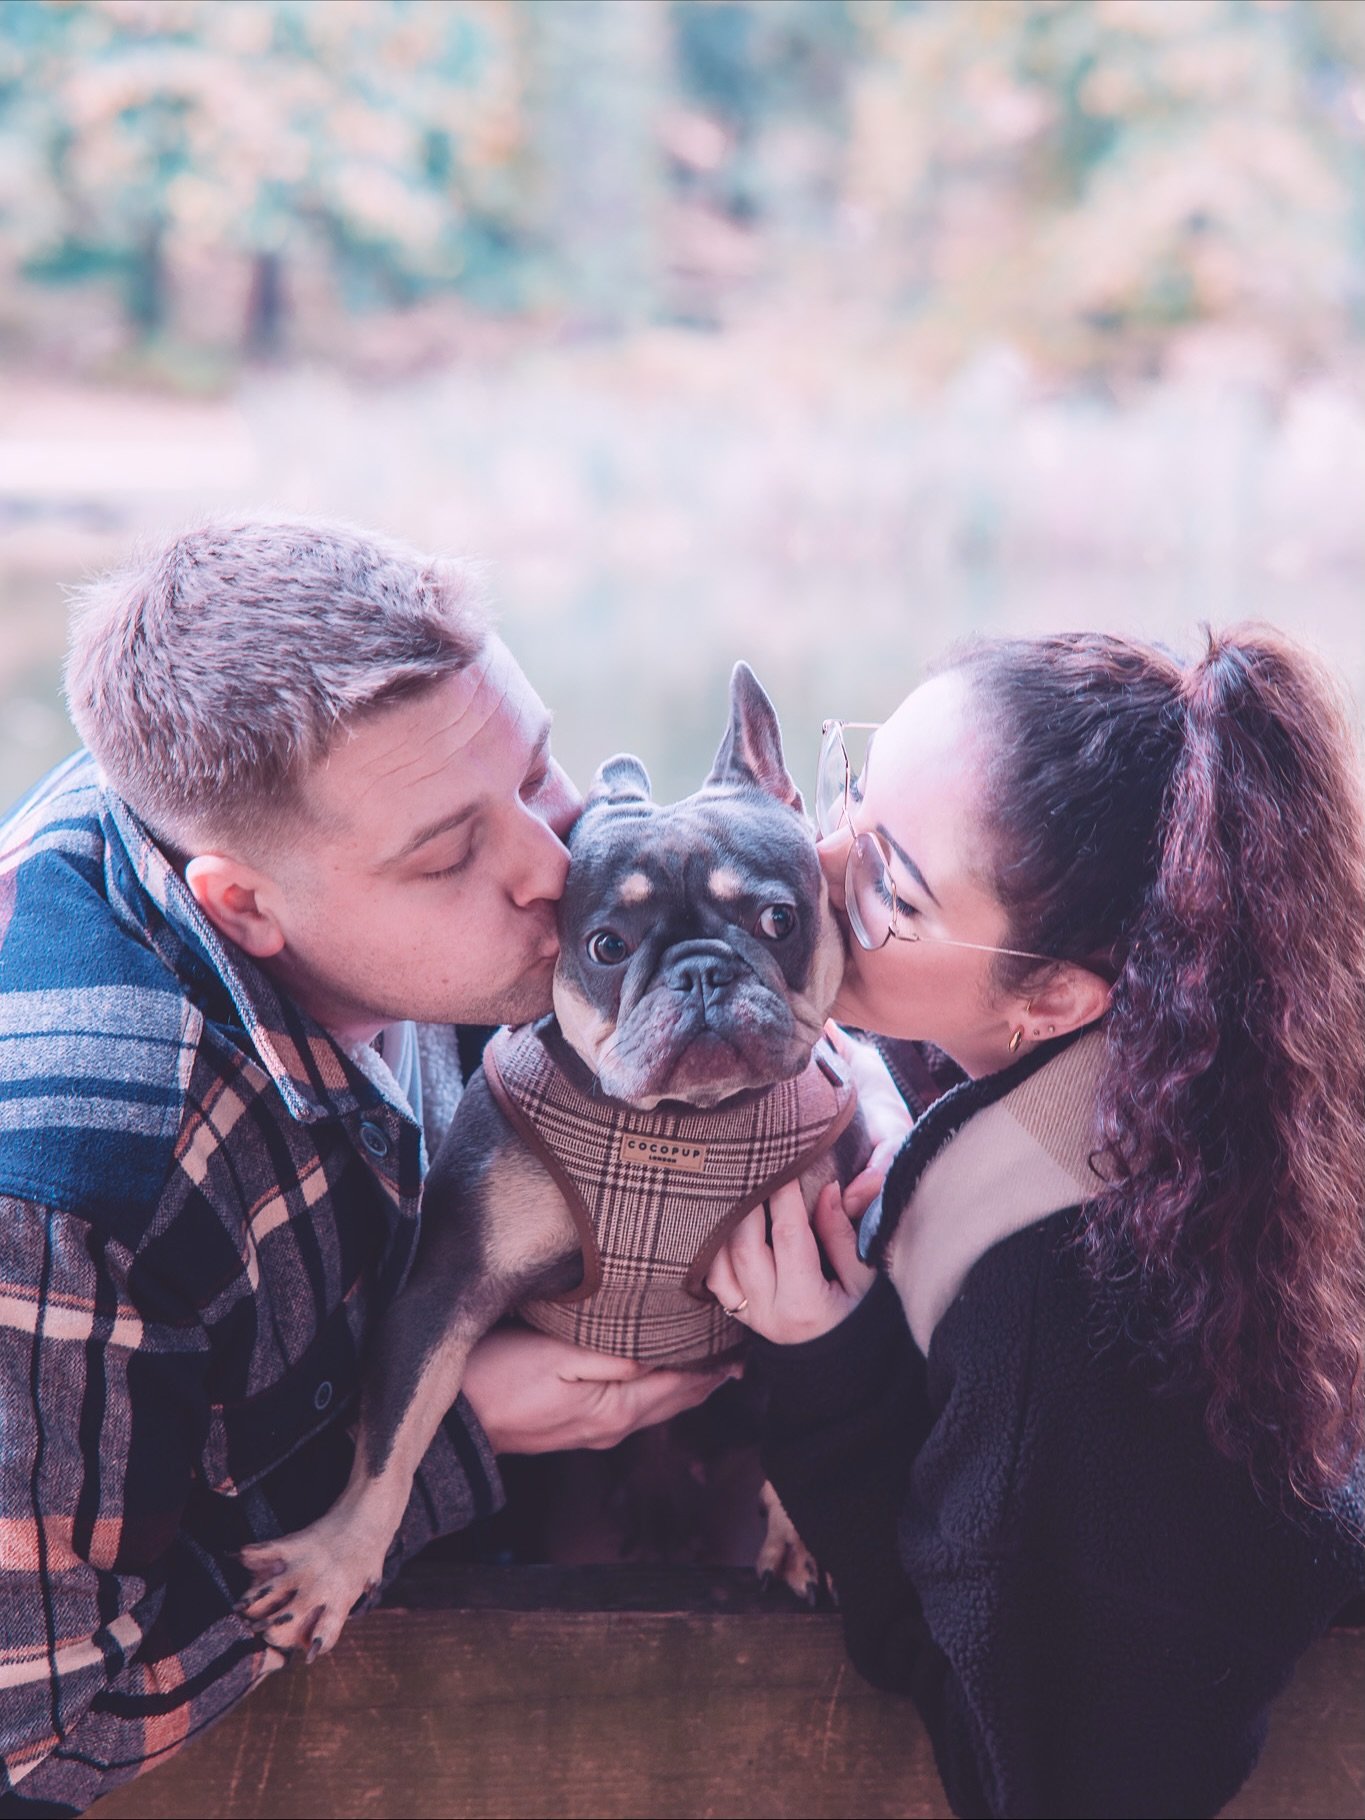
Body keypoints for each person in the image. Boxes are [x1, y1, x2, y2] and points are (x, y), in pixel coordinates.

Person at [0, 516, 731, 1817]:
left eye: (542, 766)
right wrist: (452, 1439)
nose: (554, 869)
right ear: (242, 906)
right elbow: (41, 1733)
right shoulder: (66, 1188)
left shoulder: (310, 811)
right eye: (450, 855)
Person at [707, 628, 1365, 1819]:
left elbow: (1052, 1778)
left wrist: (829, 1378)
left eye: (890, 888)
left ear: (1056, 994)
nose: (815, 858)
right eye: (852, 785)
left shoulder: (1066, 1319)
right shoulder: (1249, 1065)